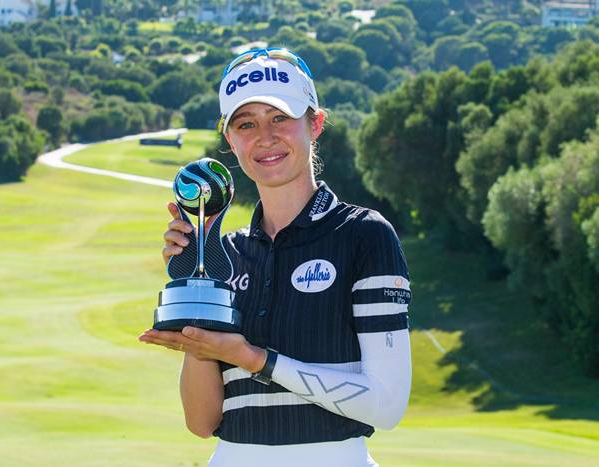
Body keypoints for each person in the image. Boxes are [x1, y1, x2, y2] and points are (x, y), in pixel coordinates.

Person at [139, 48, 412, 467]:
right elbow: (202, 421)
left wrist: (253, 358)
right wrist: (195, 321)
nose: (264, 137)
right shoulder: (224, 255)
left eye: (280, 118)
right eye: (246, 124)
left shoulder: (364, 236)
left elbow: (387, 405)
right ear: (229, 140)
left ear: (314, 123)